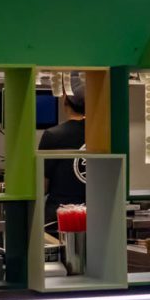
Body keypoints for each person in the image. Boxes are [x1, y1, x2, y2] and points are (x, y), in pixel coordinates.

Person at [40, 84, 86, 224]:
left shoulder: (52, 135)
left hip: (58, 218)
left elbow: (42, 186)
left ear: (65, 100)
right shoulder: (102, 134)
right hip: (94, 217)